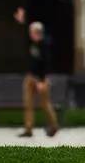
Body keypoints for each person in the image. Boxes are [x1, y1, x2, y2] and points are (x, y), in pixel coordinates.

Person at [14, 7, 59, 138]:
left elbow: (46, 64)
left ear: (37, 33)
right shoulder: (32, 42)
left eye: (32, 32)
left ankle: (53, 126)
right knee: (27, 103)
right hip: (30, 76)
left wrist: (41, 81)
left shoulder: (45, 45)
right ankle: (28, 129)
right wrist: (22, 20)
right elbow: (25, 28)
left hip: (41, 78)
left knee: (45, 104)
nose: (30, 34)